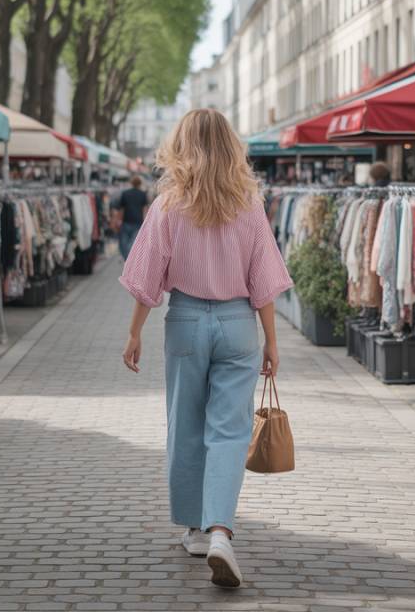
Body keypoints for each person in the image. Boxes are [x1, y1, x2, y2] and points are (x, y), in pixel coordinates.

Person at [119, 109, 293, 589]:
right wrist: (272, 342)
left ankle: (195, 529)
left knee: (186, 425)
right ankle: (221, 531)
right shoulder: (250, 203)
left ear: (182, 145)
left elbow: (147, 277)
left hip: (187, 321)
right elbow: (265, 280)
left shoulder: (168, 205)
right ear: (230, 146)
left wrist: (135, 332)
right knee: (230, 432)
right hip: (239, 323)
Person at [115, 175, 149, 260]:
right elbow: (144, 210)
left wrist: (119, 220)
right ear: (140, 184)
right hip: (138, 221)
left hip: (126, 221)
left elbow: (121, 209)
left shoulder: (125, 193)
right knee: (134, 243)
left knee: (123, 243)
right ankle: (130, 260)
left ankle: (127, 260)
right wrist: (146, 222)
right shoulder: (143, 194)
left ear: (131, 183)